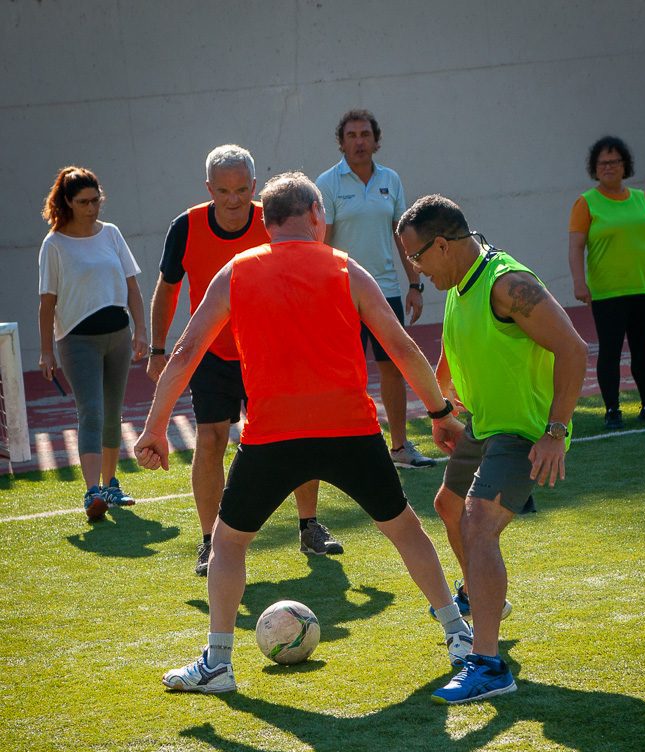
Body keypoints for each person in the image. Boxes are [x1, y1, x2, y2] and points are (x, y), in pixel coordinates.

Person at [134, 172, 473, 697]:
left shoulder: (236, 271)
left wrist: (155, 427)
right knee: (406, 530)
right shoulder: (344, 267)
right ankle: (458, 636)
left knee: (227, 544)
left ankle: (218, 663)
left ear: (265, 223)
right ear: (317, 215)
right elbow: (401, 346)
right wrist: (439, 411)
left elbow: (185, 353)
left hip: (273, 437)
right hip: (350, 429)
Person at [398, 195, 588, 705]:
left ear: (442, 244)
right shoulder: (461, 281)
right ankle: (482, 597)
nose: (414, 268)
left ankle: (488, 664)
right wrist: (441, 404)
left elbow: (573, 348)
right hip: (484, 424)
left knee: (480, 524)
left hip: (523, 430)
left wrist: (555, 432)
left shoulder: (508, 285)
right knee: (448, 506)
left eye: (416, 257)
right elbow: (454, 347)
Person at [148, 145, 343, 575]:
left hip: (272, 350)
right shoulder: (186, 226)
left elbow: (308, 268)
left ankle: (309, 524)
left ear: (254, 186)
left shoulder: (273, 220)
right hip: (214, 352)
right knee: (211, 439)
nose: (233, 199)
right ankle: (208, 542)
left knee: (294, 435)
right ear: (208, 188)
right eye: (223, 190)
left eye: (241, 189)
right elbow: (168, 287)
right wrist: (158, 349)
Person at [316, 110, 435, 470]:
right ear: (341, 143)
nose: (359, 141)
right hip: (341, 294)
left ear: (376, 141)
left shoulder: (391, 180)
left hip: (385, 292)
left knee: (393, 369)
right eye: (351, 135)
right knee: (344, 374)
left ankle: (399, 448)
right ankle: (345, 448)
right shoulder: (327, 183)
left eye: (365, 134)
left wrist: (415, 283)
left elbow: (404, 237)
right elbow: (322, 242)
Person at [38, 165, 147, 521]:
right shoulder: (54, 244)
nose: (92, 207)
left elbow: (132, 287)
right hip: (77, 339)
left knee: (113, 412)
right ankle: (91, 492)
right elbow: (47, 302)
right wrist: (45, 350)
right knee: (92, 411)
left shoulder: (112, 234)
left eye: (95, 200)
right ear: (67, 202)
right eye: (83, 202)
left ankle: (111, 485)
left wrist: (141, 331)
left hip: (117, 334)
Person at [568, 135, 645, 430]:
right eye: (603, 162)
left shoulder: (642, 198)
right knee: (611, 350)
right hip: (608, 291)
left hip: (643, 286)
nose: (609, 167)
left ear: (624, 165)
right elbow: (576, 246)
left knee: (643, 349)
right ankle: (613, 410)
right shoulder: (586, 203)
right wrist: (580, 282)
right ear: (595, 167)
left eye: (615, 161)